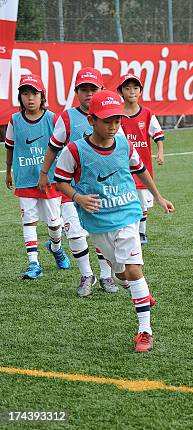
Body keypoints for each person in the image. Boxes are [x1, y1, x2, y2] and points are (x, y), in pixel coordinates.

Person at [53, 90, 174, 353]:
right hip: (98, 223)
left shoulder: (123, 144)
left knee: (133, 269)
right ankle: (138, 290)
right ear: (91, 120)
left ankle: (145, 331)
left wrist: (158, 196)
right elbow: (59, 180)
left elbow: (140, 169)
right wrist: (78, 197)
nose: (113, 126)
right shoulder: (74, 150)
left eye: (117, 120)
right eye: (107, 120)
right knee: (121, 274)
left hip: (128, 214)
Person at [37, 67, 117, 297]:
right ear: (76, 92)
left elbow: (119, 150)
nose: (89, 94)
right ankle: (86, 274)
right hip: (70, 187)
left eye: (93, 88)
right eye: (84, 89)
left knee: (101, 233)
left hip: (100, 188)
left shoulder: (109, 115)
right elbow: (53, 146)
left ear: (101, 90)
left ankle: (105, 275)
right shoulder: (67, 117)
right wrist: (44, 173)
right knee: (74, 233)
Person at [4, 74, 71, 279]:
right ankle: (33, 263)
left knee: (54, 223)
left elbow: (64, 146)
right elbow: (9, 146)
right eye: (25, 93)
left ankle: (56, 248)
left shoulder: (53, 118)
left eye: (35, 93)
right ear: (20, 97)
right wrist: (8, 171)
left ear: (43, 96)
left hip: (50, 180)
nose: (30, 98)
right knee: (29, 221)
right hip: (25, 179)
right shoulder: (14, 120)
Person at [116, 73, 165, 245]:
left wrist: (160, 151)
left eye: (135, 88)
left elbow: (157, 134)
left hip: (143, 166)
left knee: (143, 200)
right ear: (121, 92)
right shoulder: (117, 114)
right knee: (125, 198)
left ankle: (142, 232)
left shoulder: (147, 113)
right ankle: (127, 230)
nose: (132, 91)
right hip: (123, 166)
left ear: (140, 91)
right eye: (127, 88)